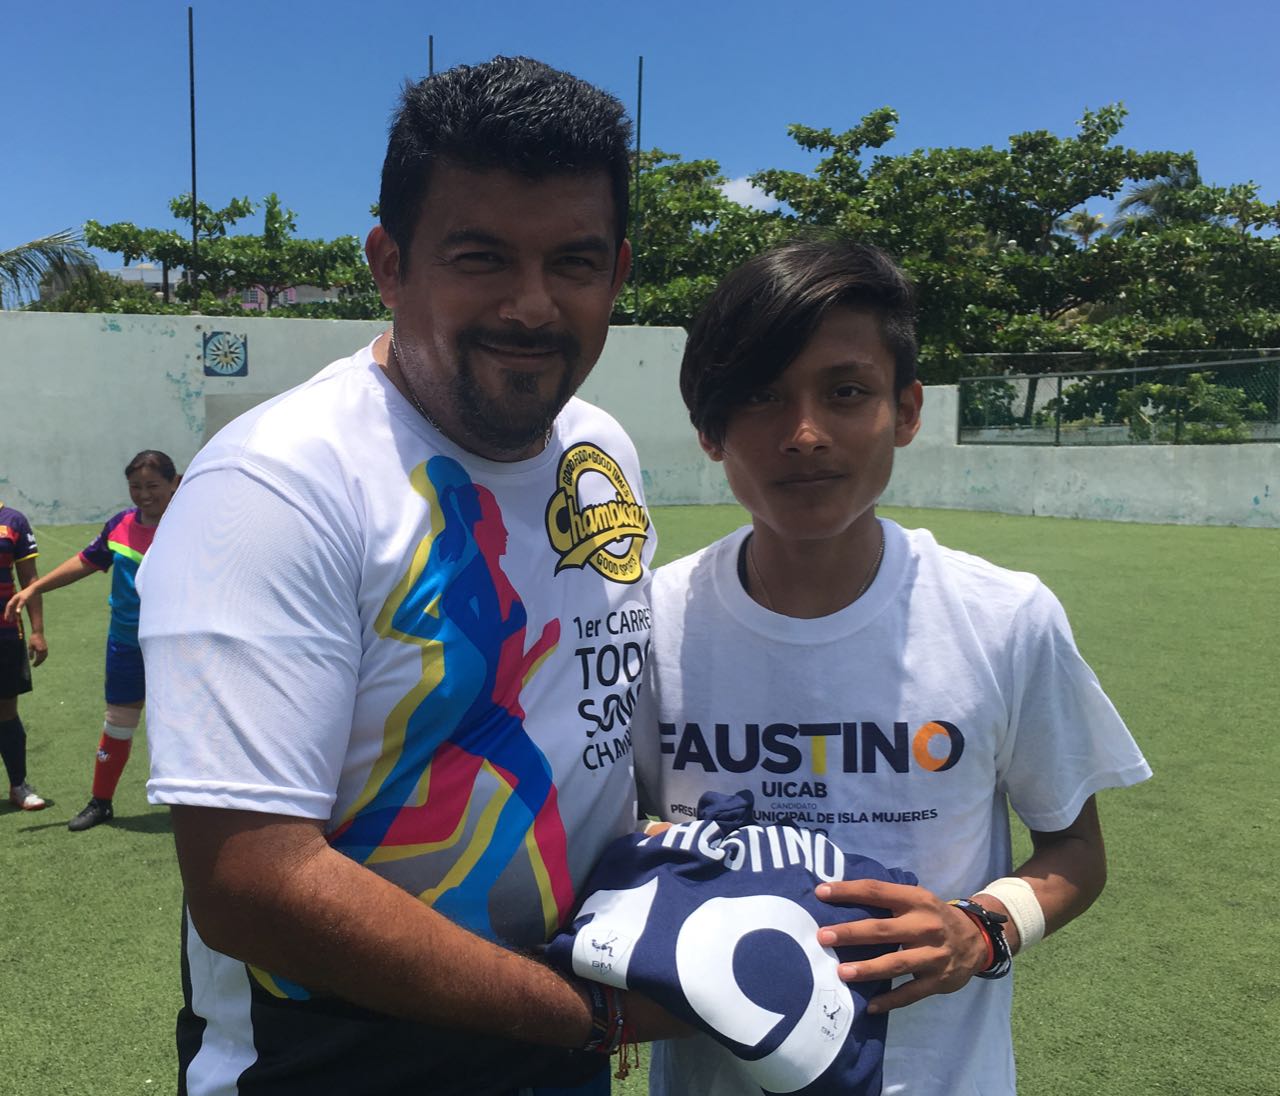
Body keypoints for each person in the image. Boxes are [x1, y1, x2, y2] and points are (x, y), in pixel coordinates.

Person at [137, 56, 672, 1096]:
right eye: (481, 257)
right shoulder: (276, 483)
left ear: (614, 273)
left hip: (556, 1035)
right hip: (333, 1056)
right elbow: (250, 882)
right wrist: (587, 1016)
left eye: (571, 262)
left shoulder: (600, 448)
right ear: (390, 264)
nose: (532, 306)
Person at [631, 239, 1153, 1095]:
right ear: (710, 430)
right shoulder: (651, 623)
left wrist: (981, 929)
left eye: (846, 392)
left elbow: (1074, 848)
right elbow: (610, 838)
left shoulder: (1002, 616)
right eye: (760, 396)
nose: (804, 434)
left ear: (906, 410)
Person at [4, 451, 180, 830]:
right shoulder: (120, 525)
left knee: (187, 724)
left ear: (174, 483)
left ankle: (199, 807)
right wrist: (35, 588)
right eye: (135, 486)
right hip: (126, 644)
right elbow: (86, 561)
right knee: (118, 723)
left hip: (179, 646)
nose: (144, 494)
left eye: (153, 486)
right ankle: (101, 802)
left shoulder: (191, 523)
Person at [1, 500, 47, 810]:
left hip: (5, 632)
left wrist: (37, 630)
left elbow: (30, 579)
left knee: (5, 710)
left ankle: (18, 785)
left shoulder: (13, 521)